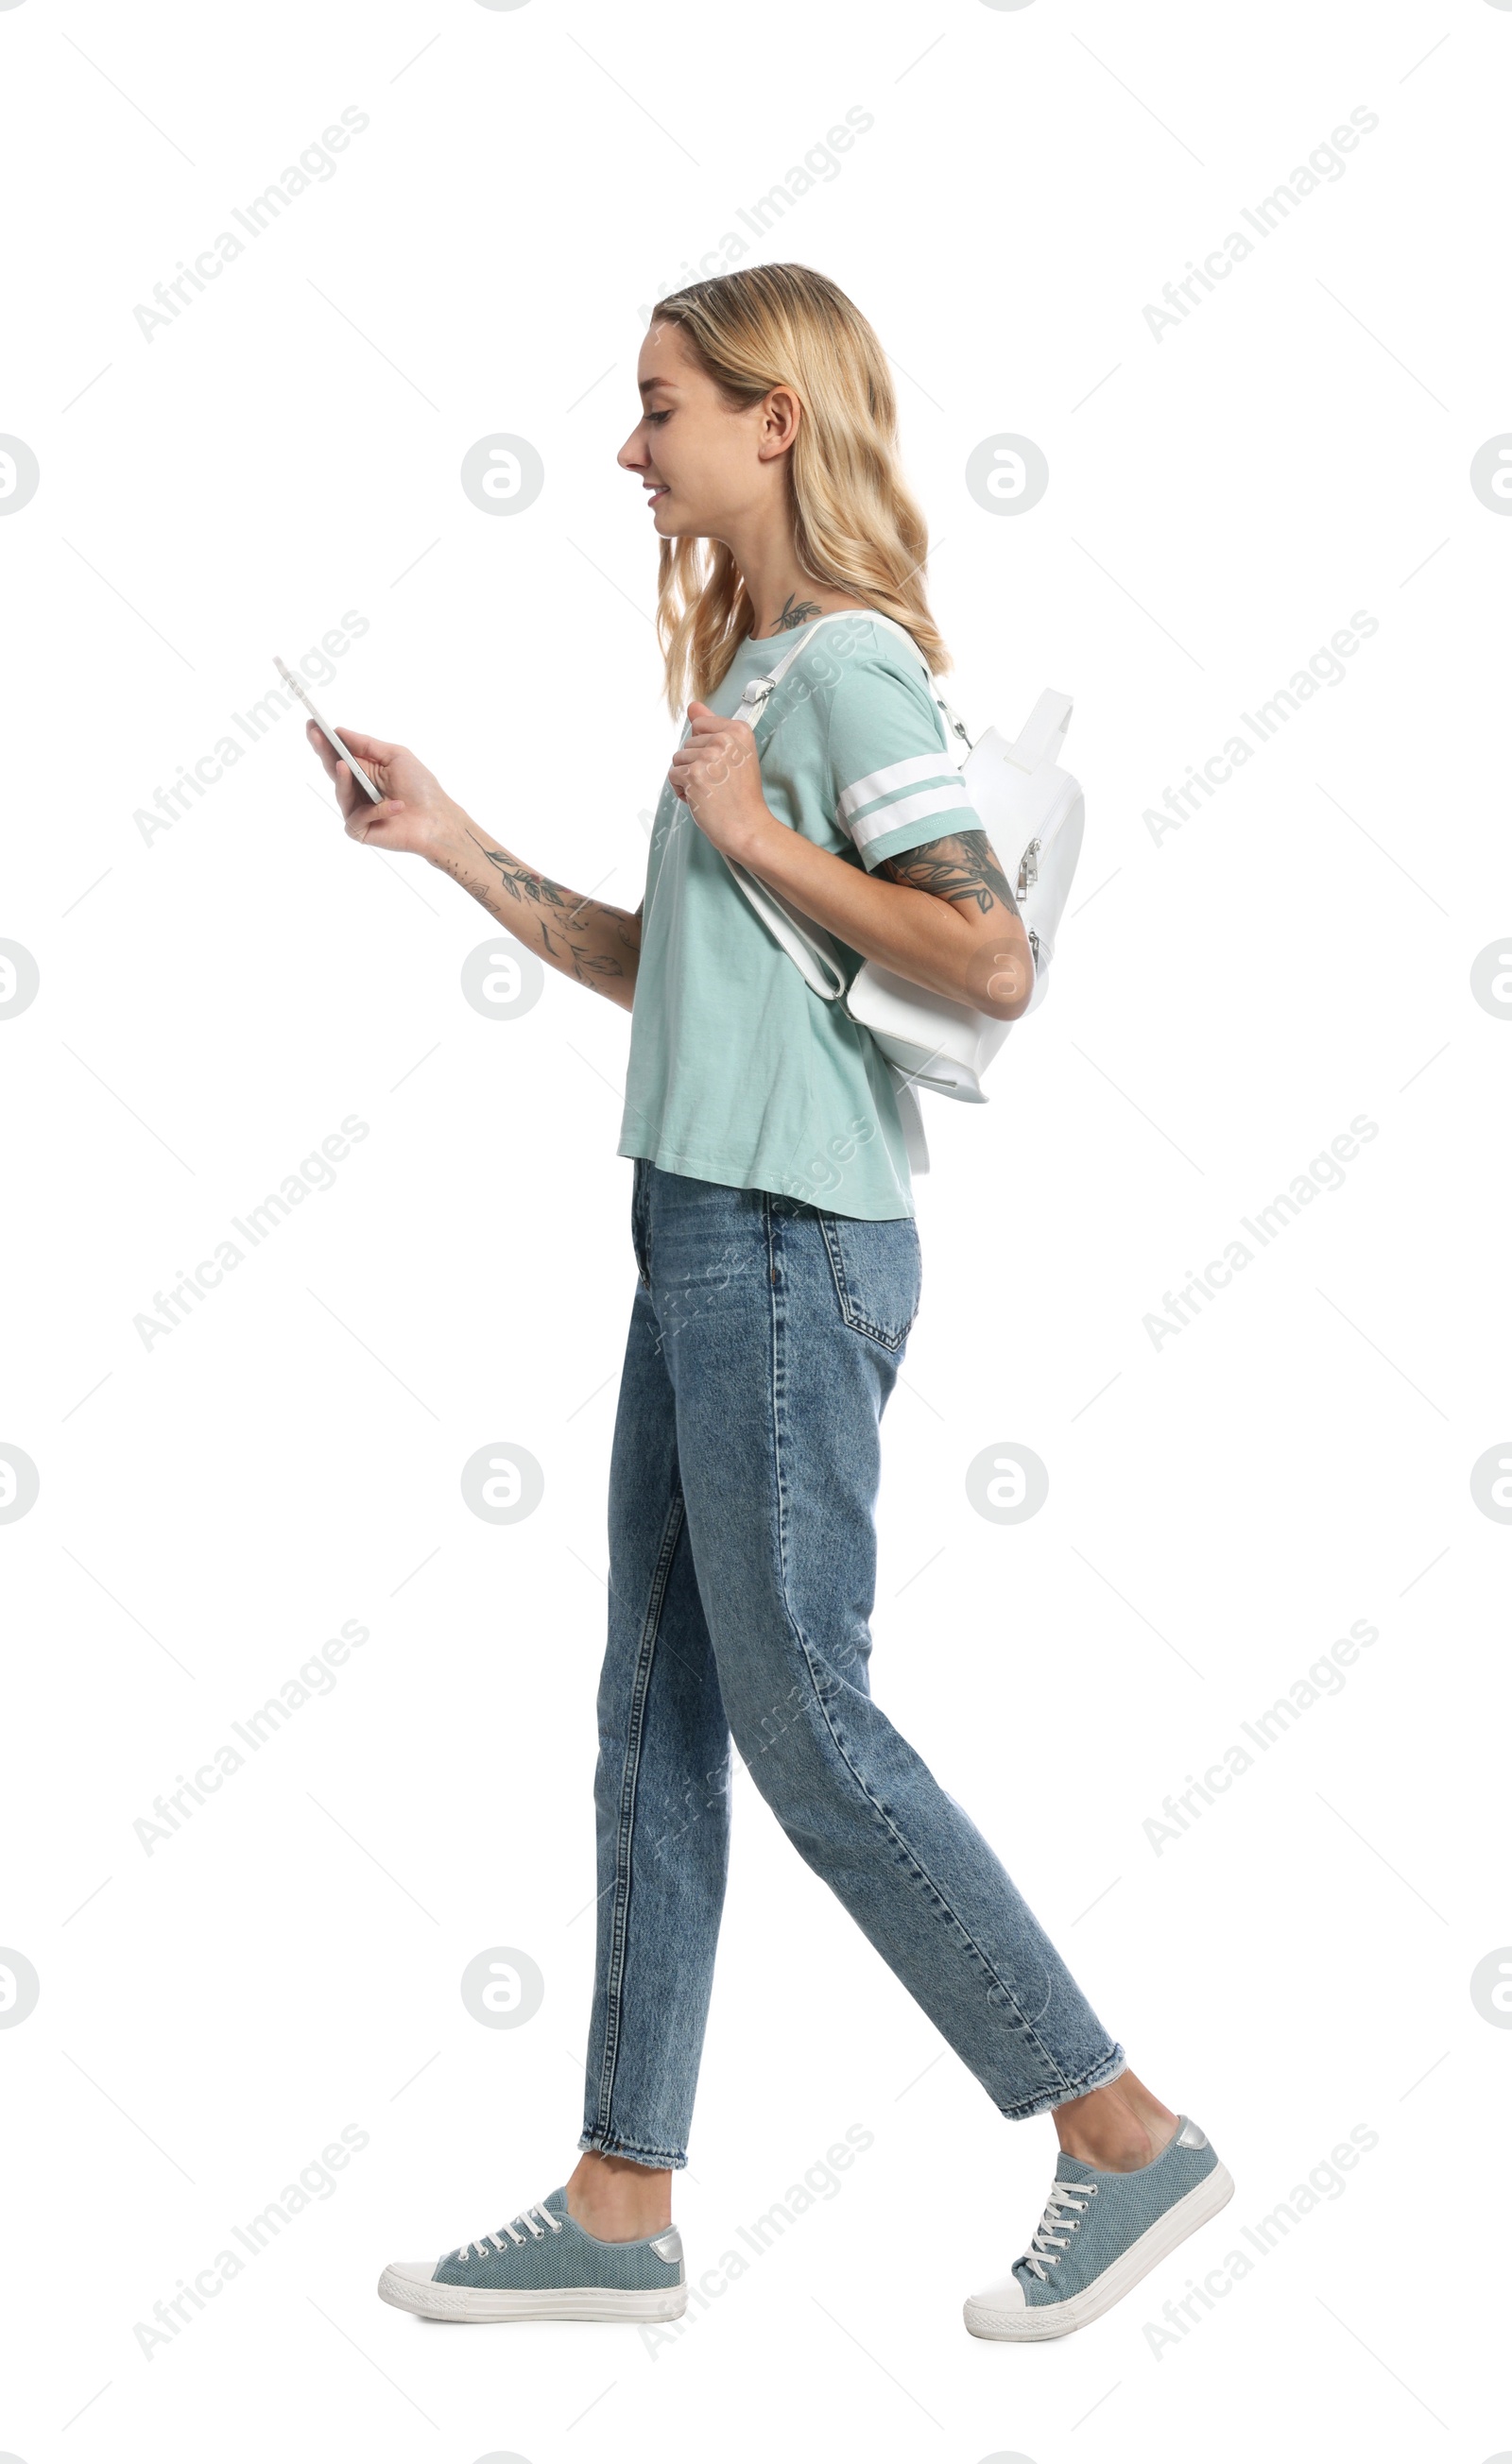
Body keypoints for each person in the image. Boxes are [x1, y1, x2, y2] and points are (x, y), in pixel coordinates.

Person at [304, 263, 1231, 2342]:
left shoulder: (843, 680)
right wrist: (452, 842)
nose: (627, 449)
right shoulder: (760, 677)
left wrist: (747, 825)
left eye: (657, 407)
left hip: (786, 1245)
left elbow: (984, 956)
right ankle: (619, 2197)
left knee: (800, 1713)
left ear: (771, 422)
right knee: (654, 1707)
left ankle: (1116, 2127)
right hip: (702, 1229)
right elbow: (682, 969)